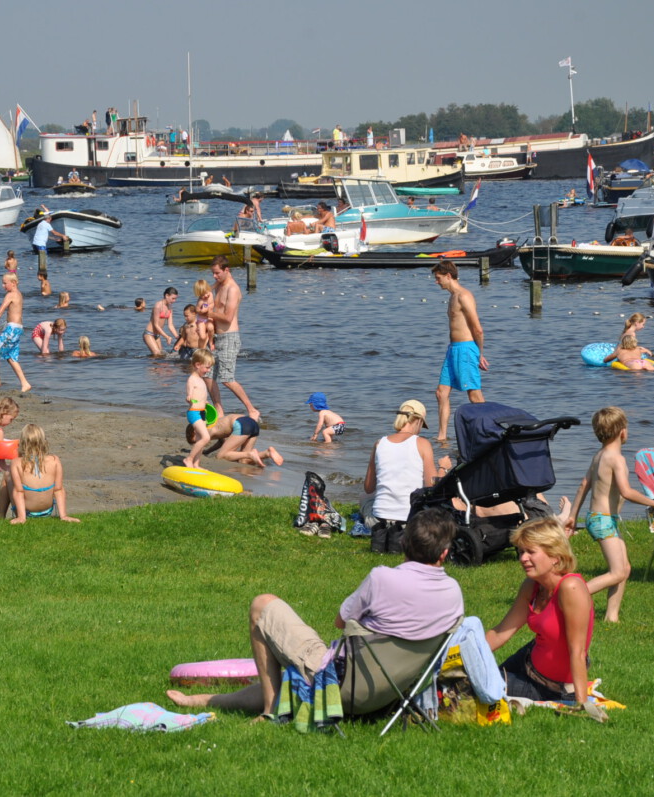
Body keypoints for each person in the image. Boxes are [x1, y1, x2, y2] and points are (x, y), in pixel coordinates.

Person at [167, 509, 463, 718]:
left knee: (262, 604)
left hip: (341, 687)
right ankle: (203, 700)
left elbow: (340, 621)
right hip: (389, 695)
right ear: (444, 554)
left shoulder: (382, 578)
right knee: (290, 679)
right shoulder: (454, 595)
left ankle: (270, 711)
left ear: (404, 544)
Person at [485, 517, 606, 720]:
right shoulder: (532, 586)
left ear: (555, 557)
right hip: (527, 659)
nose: (523, 558)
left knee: (479, 685)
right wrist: (461, 656)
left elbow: (577, 651)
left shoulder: (571, 588)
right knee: (471, 674)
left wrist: (582, 702)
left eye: (531, 552)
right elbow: (500, 632)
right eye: (521, 552)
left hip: (547, 686)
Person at [567, 407, 654, 623]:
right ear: (622, 432)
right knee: (617, 572)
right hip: (603, 521)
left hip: (601, 519)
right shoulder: (617, 459)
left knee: (625, 568)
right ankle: (566, 596)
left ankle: (611, 617)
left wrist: (573, 516)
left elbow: (584, 485)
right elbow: (626, 491)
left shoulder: (599, 455)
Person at [364, 399, 441, 554]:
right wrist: (444, 468)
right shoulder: (422, 443)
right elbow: (432, 487)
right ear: (418, 421)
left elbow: (368, 488)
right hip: (409, 521)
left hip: (379, 521)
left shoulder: (380, 443)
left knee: (363, 498)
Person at [431, 260, 487, 441]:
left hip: (466, 349)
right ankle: (441, 437)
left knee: (474, 394)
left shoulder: (464, 296)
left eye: (438, 278)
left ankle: (488, 431)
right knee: (441, 393)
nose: (436, 282)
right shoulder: (452, 296)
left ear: (448, 276)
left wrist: (480, 354)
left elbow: (477, 328)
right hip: (453, 350)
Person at [207, 256, 259, 419]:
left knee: (226, 379)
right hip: (216, 337)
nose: (214, 276)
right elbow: (205, 293)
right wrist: (214, 284)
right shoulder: (219, 286)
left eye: (217, 273)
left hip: (230, 337)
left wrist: (205, 313)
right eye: (213, 273)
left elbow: (228, 317)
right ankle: (219, 410)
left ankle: (252, 410)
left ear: (226, 270)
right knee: (208, 375)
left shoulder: (232, 289)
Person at [5, 423, 80, 523]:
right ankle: (62, 515)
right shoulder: (55, 460)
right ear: (43, 441)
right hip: (47, 511)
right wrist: (64, 516)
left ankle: (1, 516)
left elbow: (19, 492)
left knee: (6, 476)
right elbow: (59, 490)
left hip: (27, 512)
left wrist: (22, 517)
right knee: (58, 486)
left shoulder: (16, 463)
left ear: (23, 442)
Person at [0, 273, 32, 393]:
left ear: (13, 283)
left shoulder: (11, 295)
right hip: (18, 328)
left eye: (5, 283)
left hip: (12, 329)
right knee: (11, 357)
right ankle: (25, 383)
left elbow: (0, 311)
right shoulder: (19, 294)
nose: (3, 286)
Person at [189, 411, 284, 468]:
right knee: (243, 461)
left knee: (221, 456)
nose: (196, 441)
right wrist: (207, 451)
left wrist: (196, 453)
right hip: (252, 423)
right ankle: (267, 453)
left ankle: (250, 454)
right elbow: (221, 442)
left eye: (194, 439)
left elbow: (202, 443)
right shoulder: (214, 427)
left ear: (194, 431)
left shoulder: (207, 429)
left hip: (240, 423)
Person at [183, 349, 214, 468]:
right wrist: (189, 397)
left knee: (201, 438)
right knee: (206, 437)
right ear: (198, 365)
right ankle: (189, 459)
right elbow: (190, 394)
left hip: (202, 413)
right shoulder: (192, 379)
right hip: (194, 413)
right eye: (207, 367)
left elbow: (201, 394)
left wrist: (205, 401)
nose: (209, 370)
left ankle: (196, 463)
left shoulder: (201, 380)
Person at [30, 206, 68, 277]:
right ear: (49, 219)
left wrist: (54, 239)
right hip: (41, 244)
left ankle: (38, 272)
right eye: (50, 220)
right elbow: (54, 232)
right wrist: (63, 236)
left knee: (38, 259)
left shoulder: (40, 223)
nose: (50, 221)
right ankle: (43, 273)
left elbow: (44, 235)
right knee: (45, 259)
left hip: (35, 243)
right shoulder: (47, 224)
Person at [143, 286, 178, 357]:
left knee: (161, 356)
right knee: (156, 354)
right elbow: (156, 325)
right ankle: (151, 367)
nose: (174, 301)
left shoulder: (170, 307)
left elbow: (170, 325)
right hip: (149, 334)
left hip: (157, 335)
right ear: (167, 295)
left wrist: (177, 336)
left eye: (175, 299)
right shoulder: (158, 306)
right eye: (173, 298)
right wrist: (167, 337)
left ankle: (158, 368)